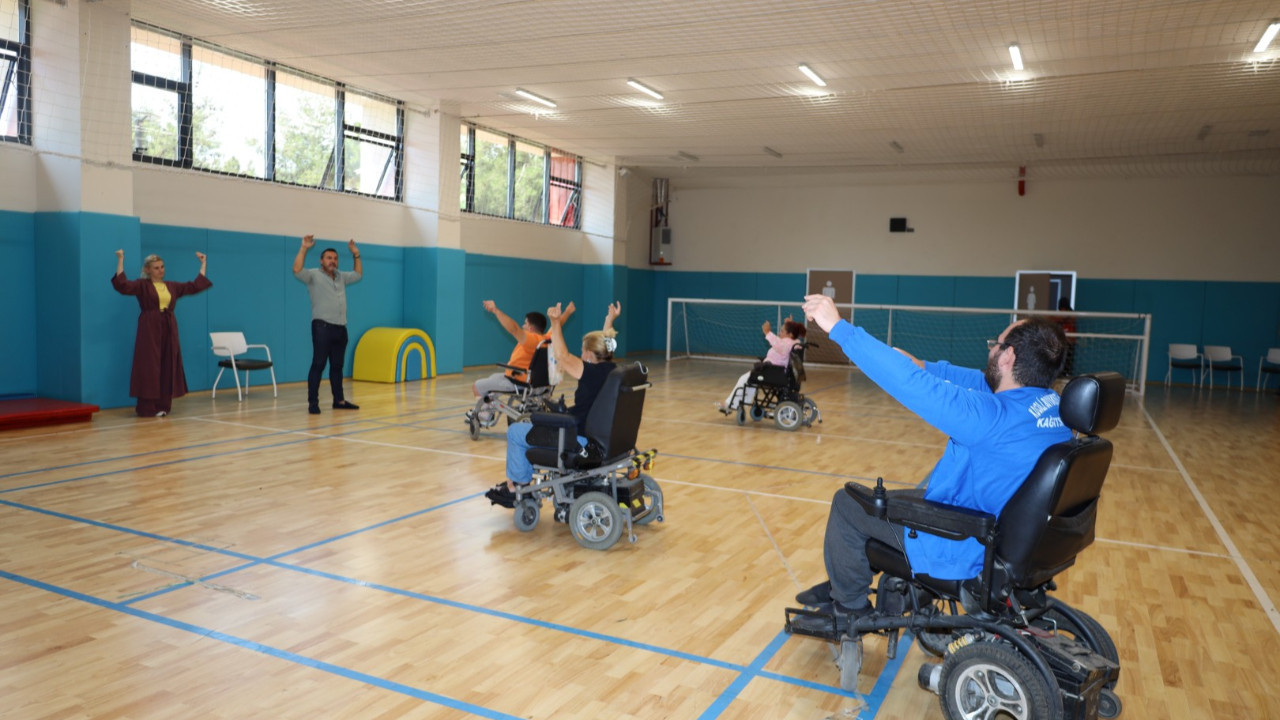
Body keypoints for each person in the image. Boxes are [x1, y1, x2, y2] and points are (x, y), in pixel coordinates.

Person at [789, 293, 1070, 634]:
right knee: (906, 496)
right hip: (1002, 534)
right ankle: (846, 576)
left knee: (848, 503)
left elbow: (911, 385)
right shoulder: (1053, 407)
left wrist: (838, 328)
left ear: (1009, 356)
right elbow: (944, 376)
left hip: (959, 542)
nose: (990, 351)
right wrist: (912, 363)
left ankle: (848, 607)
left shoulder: (989, 416)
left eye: (995, 345)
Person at [486, 301, 621, 507]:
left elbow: (562, 356)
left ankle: (518, 487)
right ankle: (518, 483)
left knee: (515, 431)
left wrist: (556, 322)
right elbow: (604, 346)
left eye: (583, 350)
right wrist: (609, 321)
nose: (581, 354)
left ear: (588, 353)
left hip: (577, 439)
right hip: (602, 437)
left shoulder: (591, 373)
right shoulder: (612, 370)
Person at [112, 249, 212, 417]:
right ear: (147, 270)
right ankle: (147, 407)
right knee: (149, 366)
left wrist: (203, 264)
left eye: (162, 267)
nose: (161, 270)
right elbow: (122, 285)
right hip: (149, 327)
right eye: (156, 268)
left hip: (169, 326)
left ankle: (163, 406)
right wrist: (120, 259)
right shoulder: (142, 285)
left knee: (168, 364)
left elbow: (194, 286)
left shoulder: (171, 286)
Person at [293, 234, 362, 415]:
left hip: (341, 328)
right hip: (322, 327)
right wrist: (304, 248)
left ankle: (339, 400)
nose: (333, 261)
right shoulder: (313, 275)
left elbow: (358, 274)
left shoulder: (341, 277)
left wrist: (356, 254)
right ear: (321, 261)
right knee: (318, 365)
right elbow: (296, 269)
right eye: (329, 258)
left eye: (335, 258)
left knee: (337, 367)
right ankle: (313, 403)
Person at [466, 301, 567, 424]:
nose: (522, 326)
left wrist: (496, 311)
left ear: (530, 328)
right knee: (494, 378)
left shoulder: (531, 341)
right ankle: (487, 408)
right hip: (537, 384)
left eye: (525, 323)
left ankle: (485, 415)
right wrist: (566, 313)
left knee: (477, 386)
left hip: (518, 383)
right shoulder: (547, 339)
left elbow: (513, 329)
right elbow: (558, 325)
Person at [716, 316, 806, 413]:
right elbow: (788, 340)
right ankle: (738, 404)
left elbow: (779, 345)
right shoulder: (795, 342)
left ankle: (729, 404)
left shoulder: (786, 344)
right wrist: (791, 324)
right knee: (751, 381)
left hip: (773, 373)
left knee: (744, 379)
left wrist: (768, 333)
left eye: (782, 331)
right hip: (776, 372)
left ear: (790, 334)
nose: (779, 333)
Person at [1054, 297, 1077, 377]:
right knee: (1062, 361)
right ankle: (1062, 374)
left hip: (1068, 341)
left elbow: (1063, 318)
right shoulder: (1058, 316)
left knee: (1067, 361)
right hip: (1063, 341)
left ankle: (1065, 375)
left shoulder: (1071, 315)